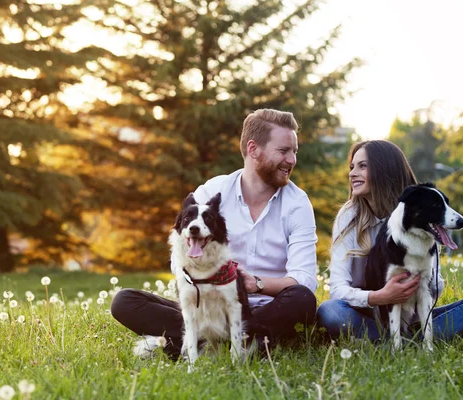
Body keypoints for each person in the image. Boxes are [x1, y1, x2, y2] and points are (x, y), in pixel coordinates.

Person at [111, 109, 318, 357]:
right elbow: (179, 254)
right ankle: (237, 344)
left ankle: (196, 344)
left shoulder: (298, 203)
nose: (292, 160)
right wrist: (211, 279)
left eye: (294, 151)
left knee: (302, 298)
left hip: (265, 310)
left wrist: (256, 284)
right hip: (208, 308)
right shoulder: (212, 190)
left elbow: (304, 278)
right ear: (253, 149)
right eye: (284, 151)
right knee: (124, 301)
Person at [316, 140, 463, 342]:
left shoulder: (420, 213)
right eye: (352, 167)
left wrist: (422, 280)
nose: (352, 173)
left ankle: (400, 340)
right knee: (330, 312)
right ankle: (402, 341)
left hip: (414, 316)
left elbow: (435, 287)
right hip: (368, 315)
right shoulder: (348, 216)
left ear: (385, 170)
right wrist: (380, 296)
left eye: (362, 166)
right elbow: (337, 291)